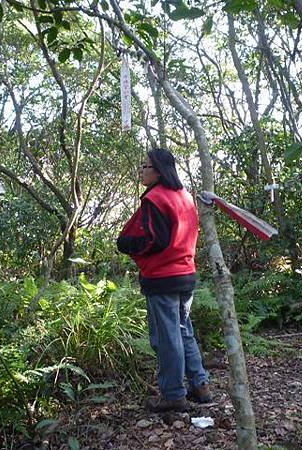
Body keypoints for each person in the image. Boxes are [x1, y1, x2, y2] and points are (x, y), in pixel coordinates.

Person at [117, 148, 212, 413]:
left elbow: (153, 240)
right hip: (185, 275)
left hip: (162, 277)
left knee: (167, 338)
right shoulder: (184, 196)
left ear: (158, 170)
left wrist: (125, 244)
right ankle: (200, 385)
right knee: (183, 331)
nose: (141, 170)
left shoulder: (156, 199)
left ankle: (173, 395)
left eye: (145, 166)